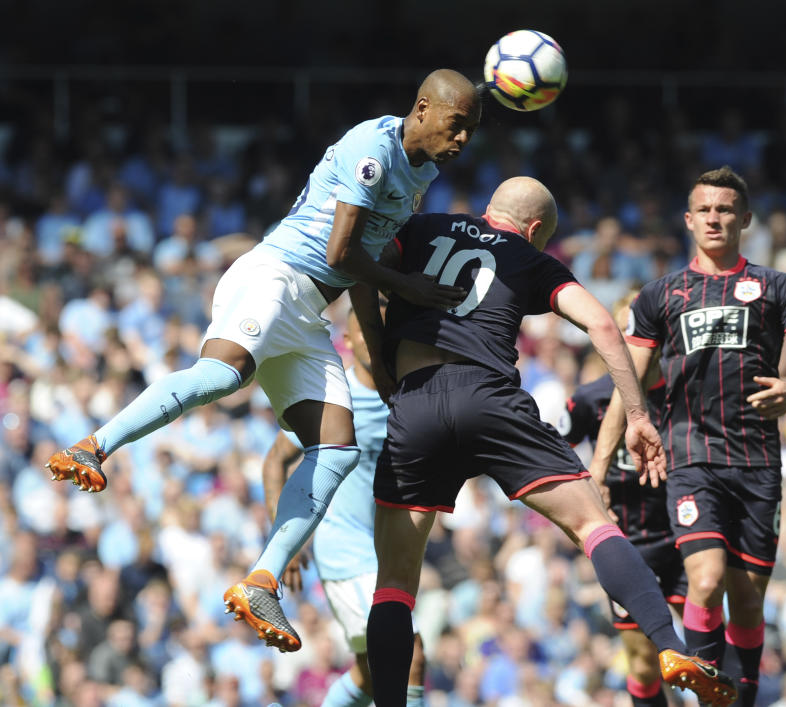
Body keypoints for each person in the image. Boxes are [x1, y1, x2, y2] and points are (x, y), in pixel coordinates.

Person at [46, 69, 483, 652]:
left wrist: (379, 365)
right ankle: (93, 446)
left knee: (337, 448)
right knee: (223, 375)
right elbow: (341, 251)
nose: (461, 142)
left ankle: (262, 580)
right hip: (273, 277)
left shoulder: (420, 171)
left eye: (470, 132)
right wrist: (409, 287)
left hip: (308, 312)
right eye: (456, 126)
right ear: (423, 109)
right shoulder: (371, 148)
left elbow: (358, 269)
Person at [364, 177, 737, 707]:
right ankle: (672, 647)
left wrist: (377, 352)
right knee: (592, 525)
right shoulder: (528, 257)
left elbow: (360, 263)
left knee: (395, 582)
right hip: (488, 398)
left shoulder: (424, 227)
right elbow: (604, 327)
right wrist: (635, 414)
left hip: (415, 401)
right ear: (535, 229)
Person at [591, 166, 786, 707]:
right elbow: (624, 383)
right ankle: (708, 695)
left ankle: (740, 697)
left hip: (757, 461)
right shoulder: (660, 295)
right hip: (691, 457)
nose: (714, 218)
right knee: (704, 580)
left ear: (744, 219)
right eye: (704, 209)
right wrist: (600, 465)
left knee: (747, 604)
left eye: (725, 209)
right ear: (688, 220)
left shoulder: (779, 288)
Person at [262, 306, 427, 707]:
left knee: (370, 675)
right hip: (345, 548)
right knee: (411, 655)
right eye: (366, 331)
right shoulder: (338, 400)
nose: (375, 339)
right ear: (348, 341)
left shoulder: (409, 398)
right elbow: (275, 461)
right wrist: (286, 538)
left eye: (381, 331)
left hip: (384, 551)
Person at [559, 291, 686, 707]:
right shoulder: (590, 398)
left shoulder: (685, 387)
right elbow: (555, 449)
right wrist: (590, 495)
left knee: (702, 642)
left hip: (686, 534)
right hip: (629, 543)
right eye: (627, 328)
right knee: (644, 664)